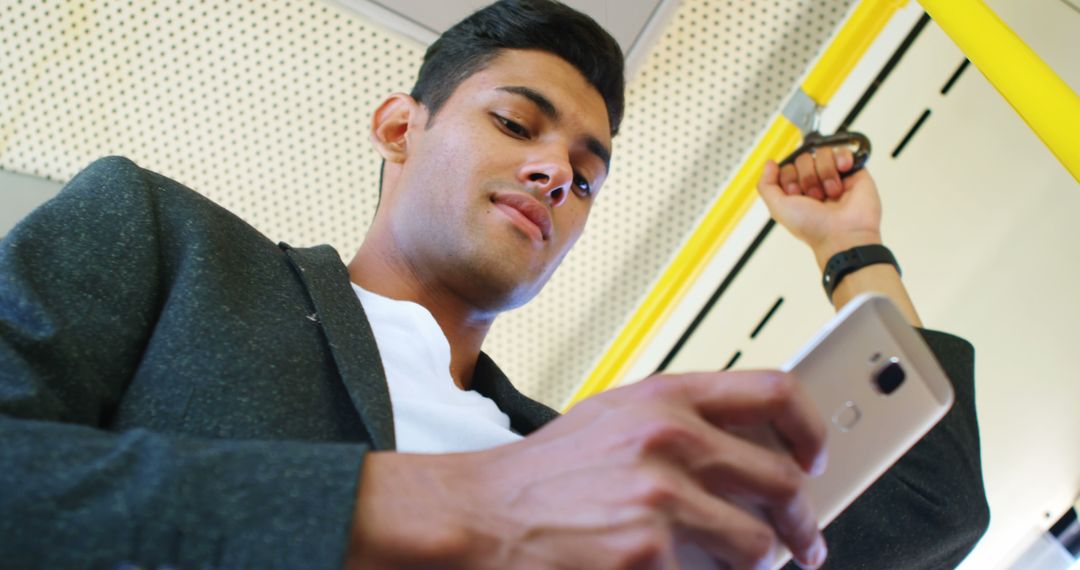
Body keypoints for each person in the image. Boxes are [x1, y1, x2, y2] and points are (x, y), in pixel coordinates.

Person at [0, 0, 989, 568]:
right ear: (399, 126)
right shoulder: (163, 243)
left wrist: (850, 248)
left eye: (588, 175)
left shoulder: (574, 460)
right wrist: (447, 503)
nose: (559, 173)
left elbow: (929, 515)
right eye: (518, 126)